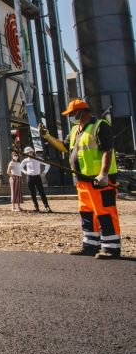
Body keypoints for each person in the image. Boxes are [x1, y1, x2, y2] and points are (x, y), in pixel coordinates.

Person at [39, 98, 120, 258]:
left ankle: (112, 248)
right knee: (87, 213)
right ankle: (90, 246)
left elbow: (107, 151)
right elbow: (64, 147)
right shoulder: (76, 130)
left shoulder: (100, 126)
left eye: (72, 113)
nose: (70, 116)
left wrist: (103, 174)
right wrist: (47, 136)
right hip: (82, 181)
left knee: (105, 213)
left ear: (81, 111)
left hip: (100, 180)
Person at [20, 146, 51, 212]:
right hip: (30, 177)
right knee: (32, 193)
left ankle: (46, 206)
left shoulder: (37, 159)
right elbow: (20, 167)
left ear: (32, 152)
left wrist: (44, 173)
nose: (29, 153)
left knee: (41, 192)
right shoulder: (25, 160)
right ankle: (36, 207)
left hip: (37, 177)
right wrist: (25, 172)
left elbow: (48, 164)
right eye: (27, 153)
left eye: (30, 152)